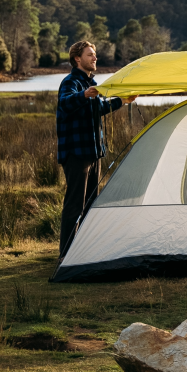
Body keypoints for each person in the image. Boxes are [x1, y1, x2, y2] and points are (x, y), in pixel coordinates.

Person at [56, 40, 136, 259]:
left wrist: (123, 101)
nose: (94, 58)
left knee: (91, 203)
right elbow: (65, 103)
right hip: (76, 154)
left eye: (94, 54)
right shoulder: (71, 82)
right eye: (90, 54)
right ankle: (66, 255)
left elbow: (99, 108)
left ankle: (85, 250)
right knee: (75, 205)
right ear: (77, 59)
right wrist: (83, 95)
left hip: (93, 152)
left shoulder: (91, 84)